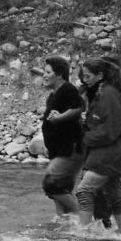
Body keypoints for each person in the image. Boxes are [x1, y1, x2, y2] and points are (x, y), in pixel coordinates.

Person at [74, 56, 121, 234]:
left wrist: (84, 138)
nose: (84, 79)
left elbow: (110, 130)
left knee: (84, 190)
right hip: (111, 154)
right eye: (83, 76)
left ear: (100, 75)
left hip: (109, 154)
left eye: (87, 76)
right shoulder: (103, 92)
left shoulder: (109, 94)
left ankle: (82, 234)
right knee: (115, 197)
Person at [39, 55, 85, 217]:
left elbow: (79, 108)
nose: (44, 75)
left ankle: (84, 220)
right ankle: (65, 226)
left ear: (59, 74)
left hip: (70, 149)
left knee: (51, 185)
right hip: (59, 150)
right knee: (61, 190)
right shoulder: (53, 95)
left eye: (47, 72)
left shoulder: (68, 89)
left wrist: (59, 118)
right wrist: (48, 145)